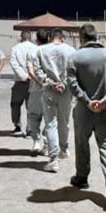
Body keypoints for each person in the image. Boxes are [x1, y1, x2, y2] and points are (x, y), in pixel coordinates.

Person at [67, 24, 106, 205]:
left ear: (81, 37)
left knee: (81, 143)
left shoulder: (75, 57)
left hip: (84, 111)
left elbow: (72, 84)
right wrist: (105, 100)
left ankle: (82, 177)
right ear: (96, 36)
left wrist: (87, 101)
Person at [34, 28, 76, 172]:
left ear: (50, 37)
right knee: (64, 122)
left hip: (48, 91)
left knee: (50, 124)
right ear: (62, 38)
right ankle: (63, 149)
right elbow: (73, 71)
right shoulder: (71, 50)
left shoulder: (40, 50)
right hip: (66, 92)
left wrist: (51, 83)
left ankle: (53, 160)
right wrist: (63, 83)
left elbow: (37, 70)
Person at [26, 30, 50, 154]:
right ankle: (47, 143)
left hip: (35, 89)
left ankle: (36, 141)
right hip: (50, 90)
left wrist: (39, 82)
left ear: (37, 39)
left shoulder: (32, 52)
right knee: (50, 118)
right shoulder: (52, 51)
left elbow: (30, 72)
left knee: (34, 116)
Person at [10, 31, 38, 135]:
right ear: (30, 38)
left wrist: (24, 76)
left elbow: (14, 64)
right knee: (31, 106)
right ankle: (30, 129)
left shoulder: (15, 48)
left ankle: (17, 126)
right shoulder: (36, 48)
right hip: (34, 81)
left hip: (20, 81)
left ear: (21, 37)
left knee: (15, 104)